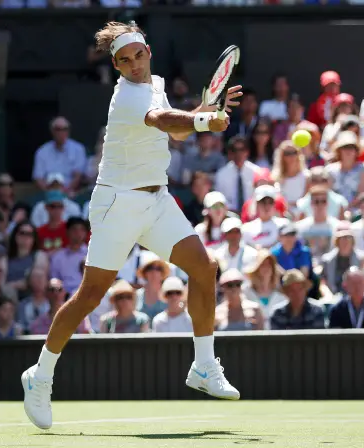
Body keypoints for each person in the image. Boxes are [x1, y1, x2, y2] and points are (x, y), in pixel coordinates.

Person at [22, 23, 242, 427]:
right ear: (116, 65)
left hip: (157, 199)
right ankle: (40, 376)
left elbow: (175, 127)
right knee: (90, 296)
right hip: (116, 204)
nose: (133, 65)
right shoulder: (126, 96)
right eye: (124, 60)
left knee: (204, 267)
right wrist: (203, 123)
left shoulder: (154, 83)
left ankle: (204, 367)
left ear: (148, 51)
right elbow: (161, 120)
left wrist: (205, 112)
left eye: (138, 55)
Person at [32, 117, 87, 196]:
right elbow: (38, 178)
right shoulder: (42, 152)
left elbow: (78, 176)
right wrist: (51, 194)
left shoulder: (78, 149)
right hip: (47, 194)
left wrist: (65, 192)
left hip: (70, 194)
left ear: (68, 131)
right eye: (58, 129)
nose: (61, 132)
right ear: (52, 131)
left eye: (65, 129)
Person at [215, 136, 260, 211]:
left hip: (252, 213)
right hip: (229, 214)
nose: (239, 153)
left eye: (242, 149)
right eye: (234, 150)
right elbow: (219, 199)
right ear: (230, 153)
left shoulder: (256, 172)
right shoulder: (221, 174)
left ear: (247, 152)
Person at [320, 222, 364, 296]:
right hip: (333, 298)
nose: (345, 241)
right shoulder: (327, 260)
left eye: (348, 237)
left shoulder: (362, 259)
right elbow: (322, 283)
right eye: (342, 238)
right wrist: (329, 296)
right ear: (336, 241)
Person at [240, 185, 290, 249]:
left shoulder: (284, 225)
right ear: (257, 204)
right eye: (263, 202)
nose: (267, 206)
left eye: (270, 202)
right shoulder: (246, 228)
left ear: (274, 204)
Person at [48, 218, 88, 295]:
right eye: (74, 229)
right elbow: (54, 279)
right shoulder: (58, 256)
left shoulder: (92, 255)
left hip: (87, 295)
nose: (78, 233)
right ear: (67, 232)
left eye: (82, 230)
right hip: (63, 296)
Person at [134, 251, 170, 322]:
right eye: (150, 268)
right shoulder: (136, 295)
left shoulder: (171, 293)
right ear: (145, 272)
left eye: (158, 268)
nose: (154, 272)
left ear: (162, 272)